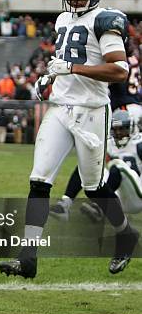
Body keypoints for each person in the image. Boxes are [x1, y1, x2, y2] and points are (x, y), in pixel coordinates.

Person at [0, 0, 139, 279]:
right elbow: (63, 62)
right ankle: (28, 258)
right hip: (60, 107)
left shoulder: (105, 20)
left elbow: (119, 70)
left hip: (91, 110)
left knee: (93, 187)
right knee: (39, 180)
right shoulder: (64, 19)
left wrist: (73, 70)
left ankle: (125, 233)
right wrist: (46, 79)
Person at [51, 47, 141, 221]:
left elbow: (111, 76)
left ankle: (98, 207)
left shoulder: (115, 60)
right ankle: (68, 203)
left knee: (122, 160)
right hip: (132, 107)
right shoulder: (133, 60)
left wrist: (79, 71)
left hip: (123, 111)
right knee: (93, 160)